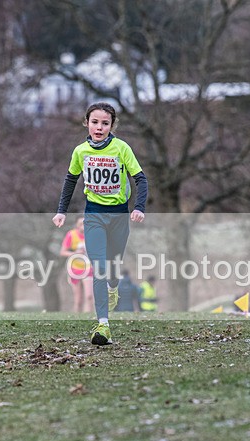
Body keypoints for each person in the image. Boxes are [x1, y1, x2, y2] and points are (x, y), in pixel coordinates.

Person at [52, 102, 149, 345]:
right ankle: (102, 325)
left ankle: (113, 288)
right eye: (95, 122)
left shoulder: (121, 148)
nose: (99, 127)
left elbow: (141, 179)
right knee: (99, 268)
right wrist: (61, 211)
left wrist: (138, 207)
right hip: (93, 215)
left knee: (113, 267)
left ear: (111, 125)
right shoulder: (80, 151)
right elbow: (70, 181)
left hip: (119, 215)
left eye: (105, 123)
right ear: (87, 123)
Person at [60, 217, 93, 313]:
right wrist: (75, 253)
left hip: (88, 268)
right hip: (74, 269)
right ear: (77, 225)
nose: (83, 225)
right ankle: (77, 321)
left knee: (89, 296)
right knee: (78, 300)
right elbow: (62, 252)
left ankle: (89, 320)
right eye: (81, 223)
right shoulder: (71, 234)